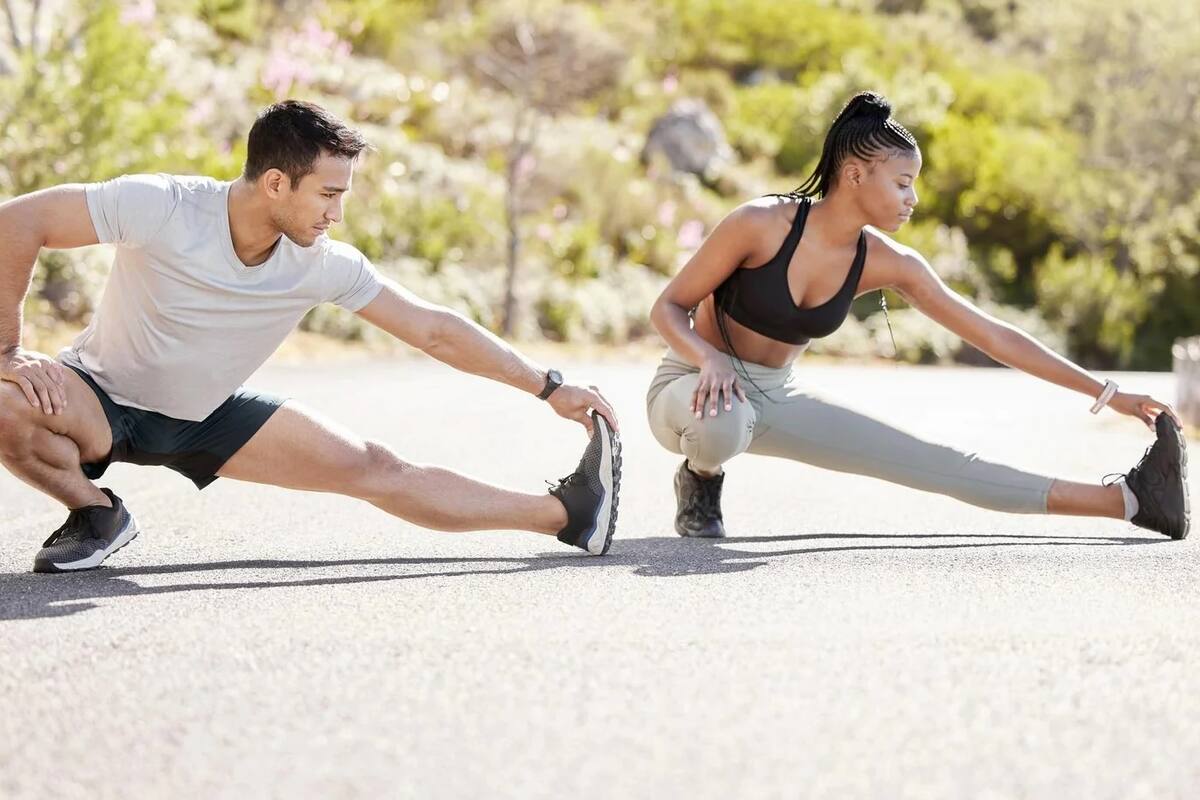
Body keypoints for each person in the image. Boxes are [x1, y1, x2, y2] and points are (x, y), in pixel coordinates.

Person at [0, 100, 621, 573]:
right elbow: (19, 221)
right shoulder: (161, 206)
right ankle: (96, 512)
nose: (337, 214)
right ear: (275, 183)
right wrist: (6, 353)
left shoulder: (323, 262)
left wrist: (550, 387)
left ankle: (568, 517)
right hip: (99, 397)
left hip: (208, 414)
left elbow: (435, 330)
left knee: (375, 467)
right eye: (328, 194)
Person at [646, 91, 1189, 541]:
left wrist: (1106, 392)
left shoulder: (888, 261)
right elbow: (667, 306)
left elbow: (993, 335)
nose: (913, 198)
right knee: (720, 425)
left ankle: (1131, 501)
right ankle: (700, 478)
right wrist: (708, 357)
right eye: (902, 183)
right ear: (855, 175)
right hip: (691, 386)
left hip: (774, 395)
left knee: (942, 465)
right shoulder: (760, 224)